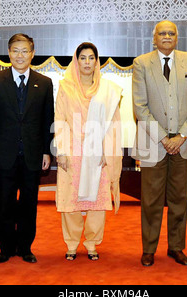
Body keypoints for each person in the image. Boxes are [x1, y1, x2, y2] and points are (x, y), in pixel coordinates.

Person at [132, 20, 187, 266]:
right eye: (162, 33)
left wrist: (182, 136)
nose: (166, 36)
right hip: (155, 143)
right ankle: (149, 248)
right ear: (154, 38)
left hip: (182, 144)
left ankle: (176, 247)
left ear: (177, 37)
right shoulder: (142, 63)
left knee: (179, 199)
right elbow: (140, 107)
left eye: (171, 33)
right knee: (151, 199)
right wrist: (164, 137)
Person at [0, 33, 54, 264]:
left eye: (25, 51)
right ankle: (5, 248)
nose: (20, 55)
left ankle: (25, 247)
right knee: (5, 203)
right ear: (9, 53)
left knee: (29, 204)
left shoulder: (44, 83)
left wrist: (46, 151)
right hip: (4, 155)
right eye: (15, 50)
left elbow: (47, 121)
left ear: (32, 53)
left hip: (32, 155)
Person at [54, 42, 122, 261]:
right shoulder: (66, 87)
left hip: (98, 151)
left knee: (97, 201)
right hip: (72, 149)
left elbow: (113, 124)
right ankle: (72, 244)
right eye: (82, 58)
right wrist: (62, 151)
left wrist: (107, 150)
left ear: (97, 61)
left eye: (91, 57)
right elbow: (60, 119)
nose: (87, 62)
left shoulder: (107, 89)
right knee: (70, 200)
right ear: (76, 60)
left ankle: (92, 243)